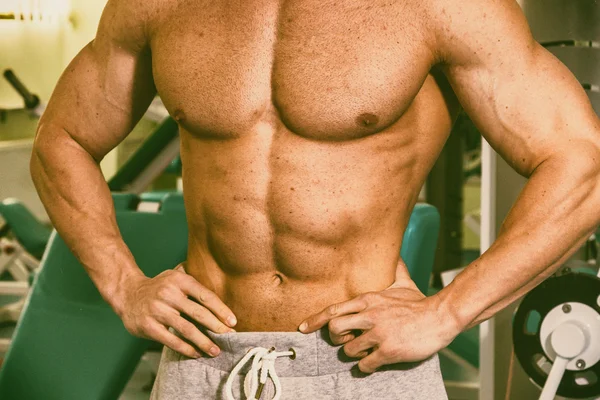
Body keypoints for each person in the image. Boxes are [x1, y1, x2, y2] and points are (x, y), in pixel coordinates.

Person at [30, 0, 600, 399]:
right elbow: (61, 140)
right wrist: (123, 283)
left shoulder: (444, 6)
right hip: (202, 362)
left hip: (363, 365)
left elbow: (582, 163)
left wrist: (447, 311)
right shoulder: (160, 3)